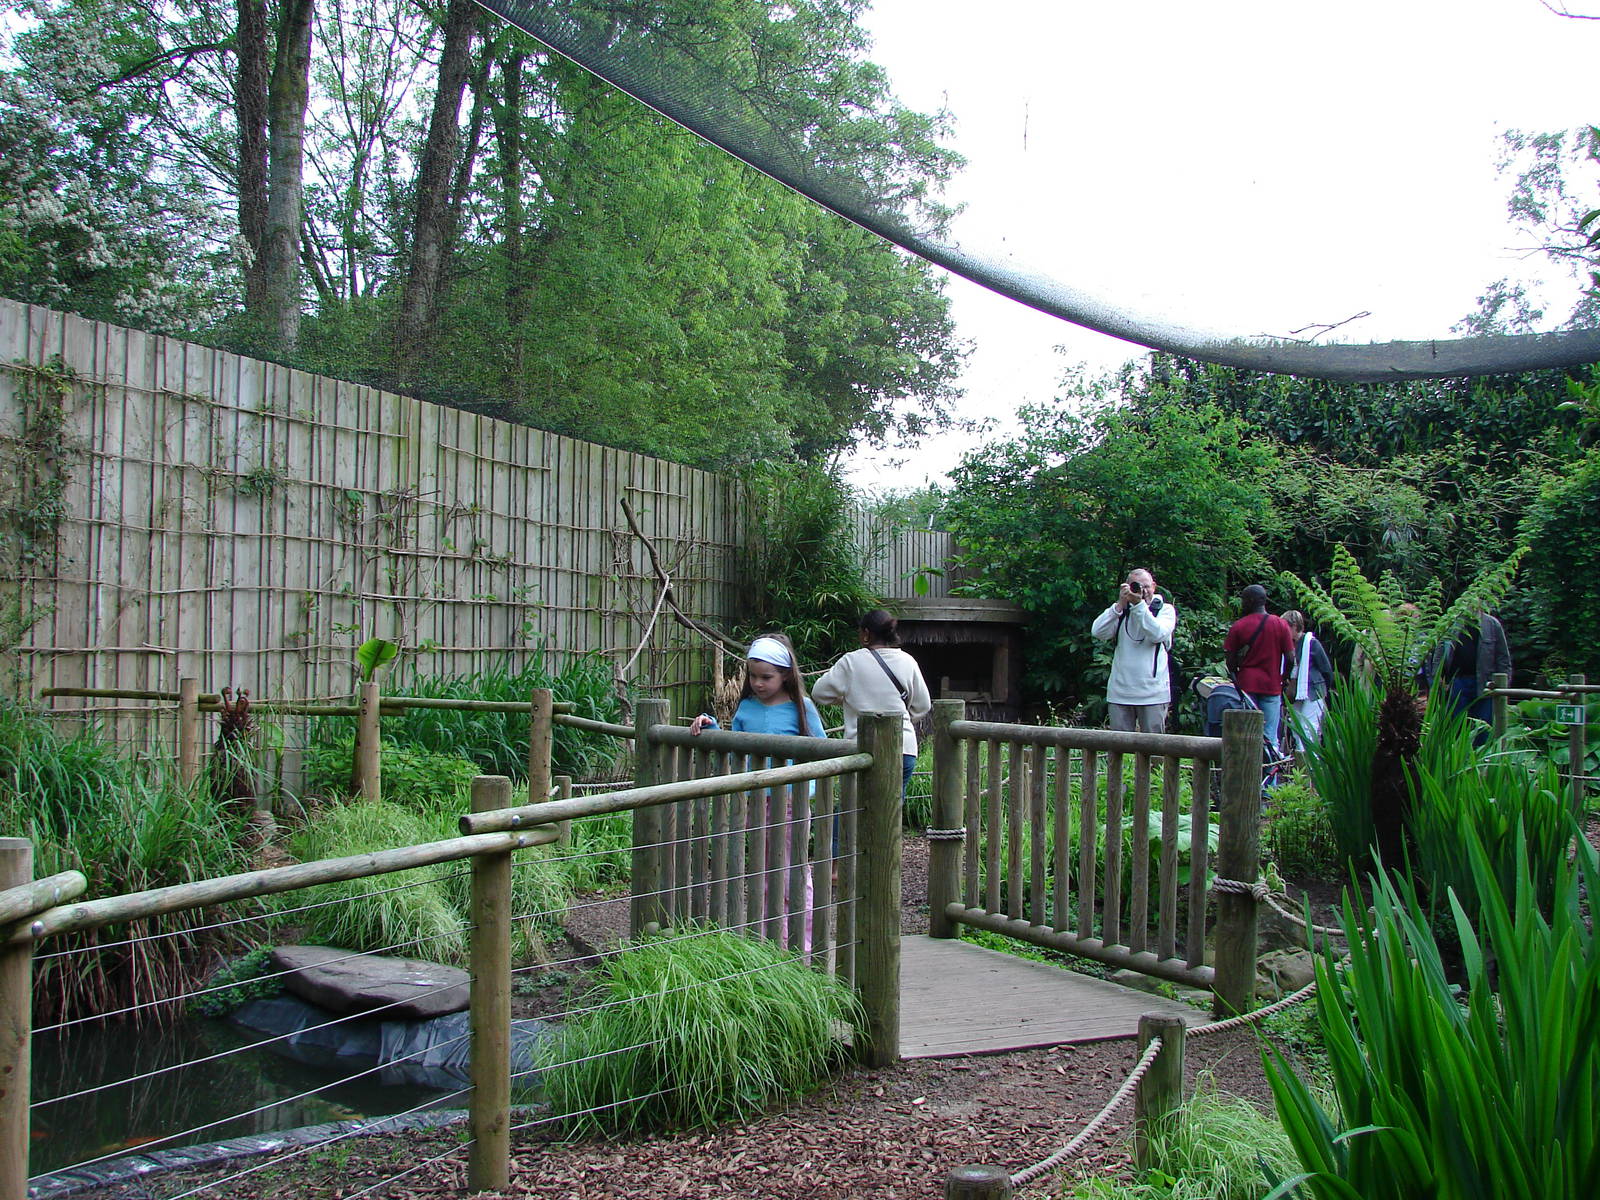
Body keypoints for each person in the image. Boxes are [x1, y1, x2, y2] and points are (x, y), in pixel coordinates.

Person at [690, 633, 826, 950]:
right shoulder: (747, 708)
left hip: (791, 801)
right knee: (762, 870)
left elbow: (822, 749)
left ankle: (802, 945)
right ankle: (767, 942)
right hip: (756, 801)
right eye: (754, 676)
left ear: (786, 675)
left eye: (767, 677)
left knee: (793, 870)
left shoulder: (801, 707)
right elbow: (736, 744)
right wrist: (710, 728)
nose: (759, 683)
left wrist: (806, 788)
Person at [811, 609, 932, 796]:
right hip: (903, 747)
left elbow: (819, 693)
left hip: (861, 749)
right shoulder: (908, 661)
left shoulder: (851, 661)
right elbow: (922, 705)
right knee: (890, 814)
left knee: (852, 811)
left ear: (866, 633)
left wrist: (849, 699)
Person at [1090, 567, 1177, 733]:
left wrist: (1139, 606)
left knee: (1154, 749)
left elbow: (1157, 633)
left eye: (1147, 586)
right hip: (1120, 693)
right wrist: (1119, 606)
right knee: (1119, 748)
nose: (1142, 591)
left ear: (1154, 586)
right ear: (1126, 587)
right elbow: (1098, 632)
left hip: (1153, 694)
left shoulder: (1165, 610)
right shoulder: (1122, 612)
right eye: (1137, 586)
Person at [1223, 584, 1294, 752]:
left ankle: (1247, 776)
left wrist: (1236, 675)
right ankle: (1270, 777)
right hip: (1271, 684)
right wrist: (1284, 678)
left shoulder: (1239, 626)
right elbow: (1291, 657)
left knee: (1247, 734)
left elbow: (1230, 662)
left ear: (1249, 601)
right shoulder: (1280, 624)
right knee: (1270, 737)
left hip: (1247, 686)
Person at [1430, 610, 1512, 729]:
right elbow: (1439, 653)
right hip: (1457, 683)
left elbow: (1503, 658)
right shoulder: (1451, 623)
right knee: (1455, 725)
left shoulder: (1492, 625)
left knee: (1483, 727)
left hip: (1485, 684)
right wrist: (1437, 677)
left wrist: (1503, 687)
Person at [1282, 610, 1334, 751]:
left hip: (1313, 690)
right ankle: (1301, 759)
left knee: (1308, 728)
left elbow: (1326, 670)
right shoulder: (1290, 646)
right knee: (1296, 727)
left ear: (1294, 626)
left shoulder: (1312, 643)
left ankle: (1310, 765)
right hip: (1297, 691)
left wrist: (1325, 691)